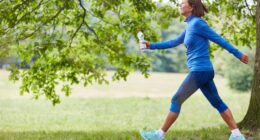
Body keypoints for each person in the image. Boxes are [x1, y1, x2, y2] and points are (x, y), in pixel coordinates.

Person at [140, 0, 249, 140]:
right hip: (203, 71)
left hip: (200, 71)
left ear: (192, 6)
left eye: (183, 3)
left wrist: (238, 54)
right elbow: (173, 42)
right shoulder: (190, 26)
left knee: (176, 99)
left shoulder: (198, 24)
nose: (180, 4)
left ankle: (159, 135)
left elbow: (219, 39)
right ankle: (237, 135)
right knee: (217, 102)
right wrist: (150, 45)